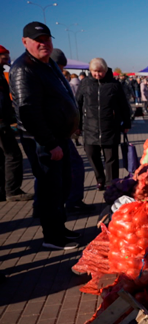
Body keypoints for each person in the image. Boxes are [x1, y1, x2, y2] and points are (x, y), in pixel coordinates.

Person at [10, 22, 80, 249]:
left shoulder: (48, 65)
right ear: (25, 42)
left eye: (47, 39)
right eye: (38, 40)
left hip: (59, 137)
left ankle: (59, 228)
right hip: (43, 142)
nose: (44, 44)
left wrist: (72, 124)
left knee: (62, 186)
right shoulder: (23, 69)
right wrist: (50, 144)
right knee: (51, 189)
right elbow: (28, 112)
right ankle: (52, 237)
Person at [76, 58, 131, 191]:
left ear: (106, 70)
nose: (98, 74)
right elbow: (77, 104)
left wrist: (126, 123)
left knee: (111, 158)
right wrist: (77, 125)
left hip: (110, 127)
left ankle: (112, 183)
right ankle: (100, 179)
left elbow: (124, 105)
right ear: (90, 70)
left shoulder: (114, 84)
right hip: (90, 127)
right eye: (95, 71)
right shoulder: (85, 84)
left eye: (100, 71)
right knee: (92, 155)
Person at [50, 48, 92, 213]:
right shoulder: (47, 79)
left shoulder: (55, 78)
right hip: (55, 134)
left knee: (48, 172)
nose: (62, 70)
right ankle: (73, 201)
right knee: (73, 166)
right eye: (59, 66)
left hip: (58, 132)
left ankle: (43, 205)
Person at [0, 45, 33, 202]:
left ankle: (3, 190)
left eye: (7, 55)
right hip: (1, 124)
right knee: (13, 156)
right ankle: (12, 191)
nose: (6, 58)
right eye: (3, 56)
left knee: (4, 157)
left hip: (4, 122)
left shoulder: (2, 73)